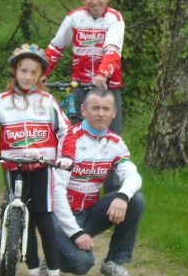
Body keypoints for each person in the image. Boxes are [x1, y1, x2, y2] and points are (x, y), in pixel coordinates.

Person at [0, 44, 70, 276]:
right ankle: (33, 269)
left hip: (42, 168)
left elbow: (66, 132)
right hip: (13, 167)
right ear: (15, 71)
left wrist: (66, 157)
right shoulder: (2, 101)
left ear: (41, 75)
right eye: (24, 71)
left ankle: (53, 271)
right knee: (26, 219)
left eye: (34, 72)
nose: (28, 76)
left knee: (43, 218)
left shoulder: (48, 102)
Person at [53, 89, 145, 276]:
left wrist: (122, 196)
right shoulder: (68, 139)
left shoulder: (115, 143)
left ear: (114, 113)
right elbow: (56, 192)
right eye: (95, 108)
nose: (101, 114)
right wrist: (75, 233)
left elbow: (133, 176)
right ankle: (52, 258)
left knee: (135, 199)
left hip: (88, 213)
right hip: (59, 215)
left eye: (106, 109)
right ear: (83, 110)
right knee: (82, 263)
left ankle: (115, 262)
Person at [45, 0, 125, 134]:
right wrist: (41, 74)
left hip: (107, 86)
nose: (95, 1)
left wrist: (102, 74)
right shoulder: (74, 18)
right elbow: (56, 47)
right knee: (75, 135)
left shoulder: (114, 18)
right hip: (80, 86)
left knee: (112, 136)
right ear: (83, 0)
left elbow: (113, 50)